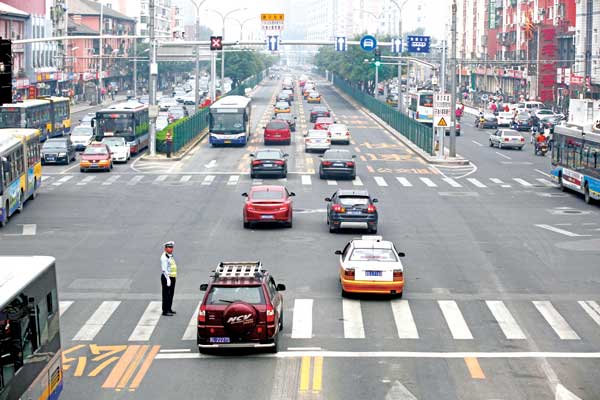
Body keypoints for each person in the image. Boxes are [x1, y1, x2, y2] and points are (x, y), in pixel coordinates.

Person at [160, 241, 177, 316]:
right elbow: (164, 269)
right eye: (169, 247)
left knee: (171, 294)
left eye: (172, 247)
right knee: (166, 294)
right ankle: (165, 310)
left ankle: (169, 308)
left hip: (172, 277)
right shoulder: (164, 257)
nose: (171, 249)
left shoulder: (170, 255)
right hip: (167, 278)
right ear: (165, 248)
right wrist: (168, 279)